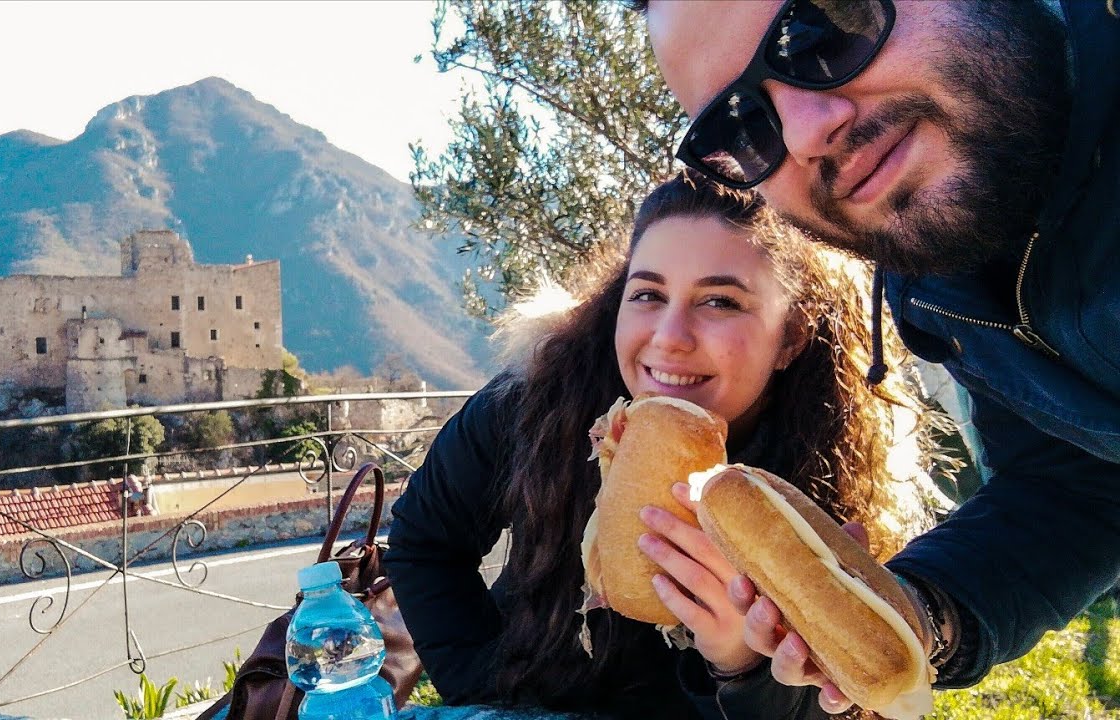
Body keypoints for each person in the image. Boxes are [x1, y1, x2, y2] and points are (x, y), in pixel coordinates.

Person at [632, 0, 1120, 714]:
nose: (806, 133)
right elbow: (1074, 486)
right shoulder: (937, 276)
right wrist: (920, 614)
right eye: (743, 128)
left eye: (818, 31)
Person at [385, 173, 941, 719]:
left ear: (791, 336)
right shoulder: (535, 401)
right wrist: (482, 692)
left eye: (720, 301)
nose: (669, 337)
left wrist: (740, 664)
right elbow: (425, 541)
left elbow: (837, 701)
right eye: (648, 294)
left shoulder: (823, 476)